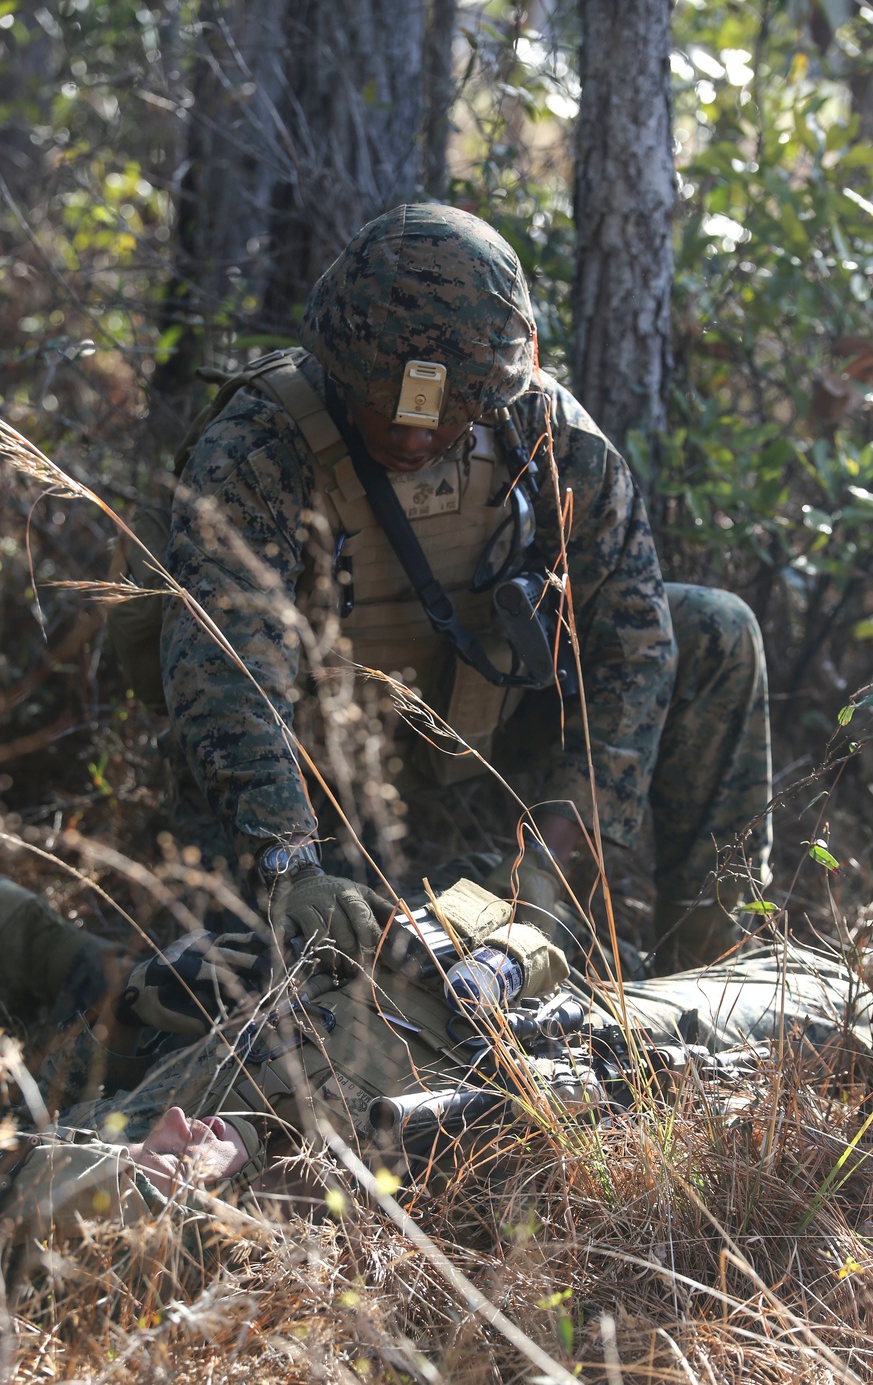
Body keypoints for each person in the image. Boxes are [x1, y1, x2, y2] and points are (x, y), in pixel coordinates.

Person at [159, 203, 772, 977]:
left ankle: (714, 977)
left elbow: (633, 642)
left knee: (712, 629)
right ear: (341, 364)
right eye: (390, 405)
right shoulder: (256, 452)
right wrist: (287, 861)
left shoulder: (545, 434)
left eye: (446, 417)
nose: (414, 439)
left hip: (487, 748)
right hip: (316, 793)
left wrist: (553, 863)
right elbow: (226, 676)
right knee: (250, 1014)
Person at [0, 866, 868, 1236]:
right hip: (562, 1044)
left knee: (122, 991)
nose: (186, 1130)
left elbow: (49, 1185)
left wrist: (335, 934)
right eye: (175, 1167)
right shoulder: (286, 1201)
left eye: (153, 1151)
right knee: (822, 1000)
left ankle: (36, 946)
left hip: (417, 991)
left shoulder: (136, 1116)